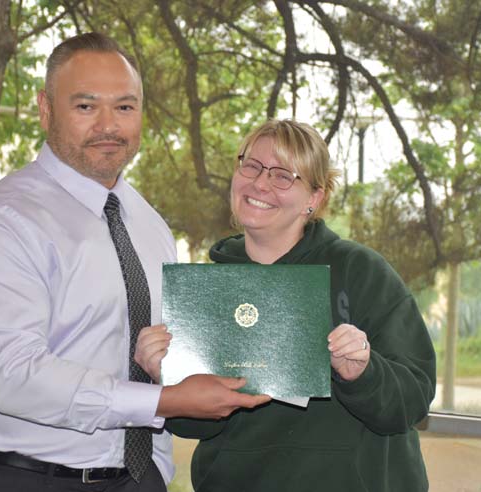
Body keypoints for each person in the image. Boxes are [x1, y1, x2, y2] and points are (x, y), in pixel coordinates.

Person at [0, 32, 269, 492]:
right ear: (45, 108)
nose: (109, 125)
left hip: (141, 479)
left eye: (125, 107)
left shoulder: (148, 223)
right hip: (32, 480)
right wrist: (164, 399)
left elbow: (158, 347)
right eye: (86, 106)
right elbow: (15, 377)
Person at [136, 119, 437, 491]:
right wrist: (164, 378)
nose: (260, 183)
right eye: (252, 166)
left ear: (315, 197)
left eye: (283, 175)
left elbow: (414, 399)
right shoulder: (208, 289)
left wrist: (362, 373)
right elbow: (194, 425)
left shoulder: (360, 272)